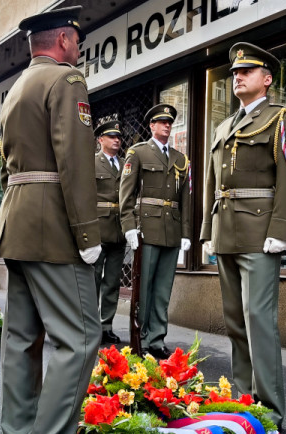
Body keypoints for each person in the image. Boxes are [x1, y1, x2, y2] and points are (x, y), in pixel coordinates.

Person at [0, 7, 102, 433]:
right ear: (63, 41)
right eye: (77, 40)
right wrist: (87, 232)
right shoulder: (66, 79)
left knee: (21, 338)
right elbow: (74, 161)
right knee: (81, 338)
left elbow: (6, 167)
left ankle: (17, 429)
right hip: (53, 226)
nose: (78, 47)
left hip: (16, 222)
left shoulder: (16, 88)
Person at [200, 42, 286, 429]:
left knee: (259, 320)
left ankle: (270, 412)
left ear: (266, 80)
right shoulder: (224, 126)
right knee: (235, 321)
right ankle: (242, 403)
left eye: (246, 72)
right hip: (227, 230)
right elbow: (213, 182)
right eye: (234, 73)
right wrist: (207, 232)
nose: (237, 77)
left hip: (261, 231)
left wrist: (283, 230)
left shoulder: (284, 117)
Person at [119, 103, 192, 359]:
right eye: (162, 122)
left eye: (170, 122)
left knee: (163, 289)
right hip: (146, 229)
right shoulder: (138, 153)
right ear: (152, 126)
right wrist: (128, 227)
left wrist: (185, 233)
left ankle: (157, 337)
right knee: (145, 288)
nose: (167, 126)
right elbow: (126, 194)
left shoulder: (180, 159)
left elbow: (185, 199)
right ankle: (140, 336)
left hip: (171, 229)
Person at [93, 120, 126, 345]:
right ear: (100, 140)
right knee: (93, 280)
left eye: (118, 137)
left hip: (119, 231)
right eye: (111, 136)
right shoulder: (90, 163)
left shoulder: (126, 164)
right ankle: (89, 325)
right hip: (97, 228)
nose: (116, 140)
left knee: (112, 282)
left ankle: (106, 326)